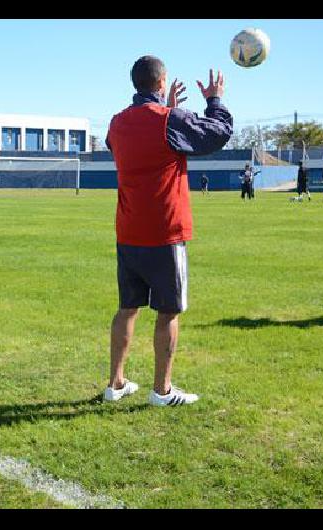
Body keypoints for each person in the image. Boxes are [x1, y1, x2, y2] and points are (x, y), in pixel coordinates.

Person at [104, 56, 232, 406]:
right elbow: (218, 133)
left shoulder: (117, 123)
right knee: (168, 312)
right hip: (164, 232)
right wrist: (214, 100)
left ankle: (115, 384)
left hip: (128, 230)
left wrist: (169, 113)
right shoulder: (170, 121)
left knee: (127, 307)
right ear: (161, 84)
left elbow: (128, 143)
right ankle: (162, 390)